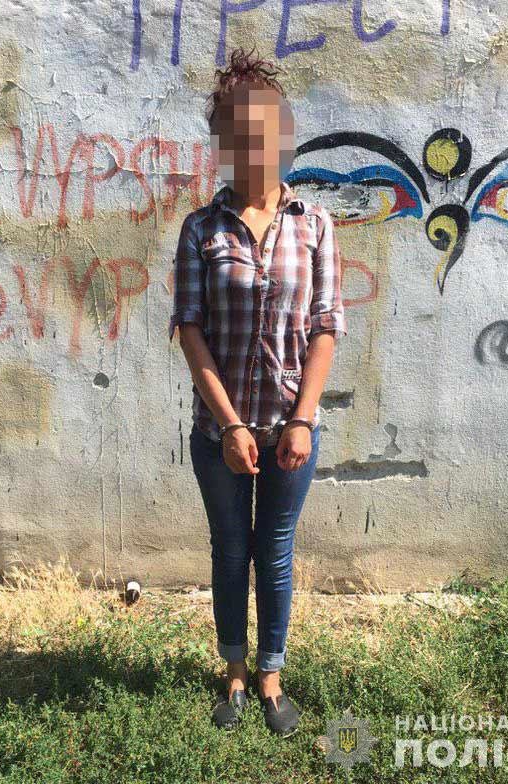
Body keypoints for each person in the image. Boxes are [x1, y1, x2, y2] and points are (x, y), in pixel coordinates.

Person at [168, 46, 347, 737]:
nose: (254, 149)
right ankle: (235, 672)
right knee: (230, 550)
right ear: (224, 143)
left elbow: (325, 327)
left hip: (291, 431)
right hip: (220, 433)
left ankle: (271, 675)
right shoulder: (201, 229)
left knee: (274, 550)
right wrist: (231, 425)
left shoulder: (315, 225)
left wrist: (301, 420)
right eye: (238, 136)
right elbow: (190, 331)